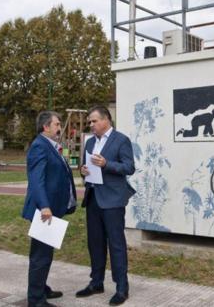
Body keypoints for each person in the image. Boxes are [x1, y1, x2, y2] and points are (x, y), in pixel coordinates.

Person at [76, 105, 136, 306]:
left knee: (116, 244)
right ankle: (96, 282)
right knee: (95, 242)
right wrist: (83, 171)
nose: (91, 125)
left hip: (112, 200)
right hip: (93, 198)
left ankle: (121, 287)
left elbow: (129, 167)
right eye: (89, 122)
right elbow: (85, 167)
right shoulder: (90, 142)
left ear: (106, 120)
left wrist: (106, 164)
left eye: (94, 121)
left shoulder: (121, 140)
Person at [22, 111, 77, 307]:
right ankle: (36, 300)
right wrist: (44, 206)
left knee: (44, 254)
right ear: (46, 127)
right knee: (41, 256)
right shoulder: (39, 146)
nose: (59, 127)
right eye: (57, 124)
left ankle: (40, 288)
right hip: (45, 211)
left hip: (52, 209)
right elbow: (36, 180)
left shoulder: (50, 146)